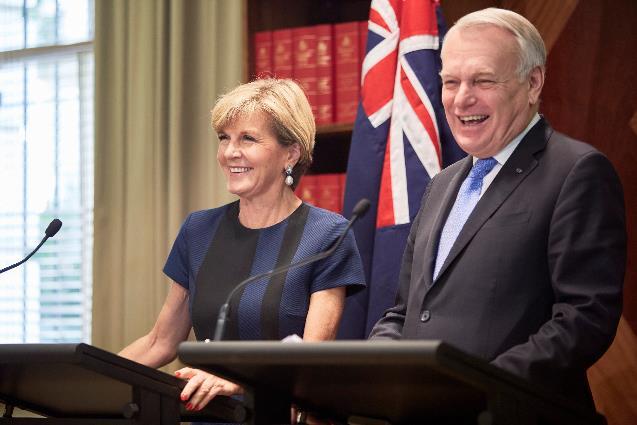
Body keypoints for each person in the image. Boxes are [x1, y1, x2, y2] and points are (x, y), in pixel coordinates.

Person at [369, 8, 626, 409]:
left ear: (533, 82)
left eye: (483, 80)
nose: (462, 98)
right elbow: (405, 312)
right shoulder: (440, 185)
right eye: (450, 82)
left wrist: (478, 387)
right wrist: (375, 368)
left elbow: (584, 317)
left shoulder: (576, 172)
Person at [119, 78, 366, 413]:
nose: (229, 152)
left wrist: (236, 381)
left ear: (290, 153)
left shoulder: (327, 235)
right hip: (203, 417)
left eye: (247, 138)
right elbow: (159, 342)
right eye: (224, 138)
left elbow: (312, 361)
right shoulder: (199, 230)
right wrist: (85, 383)